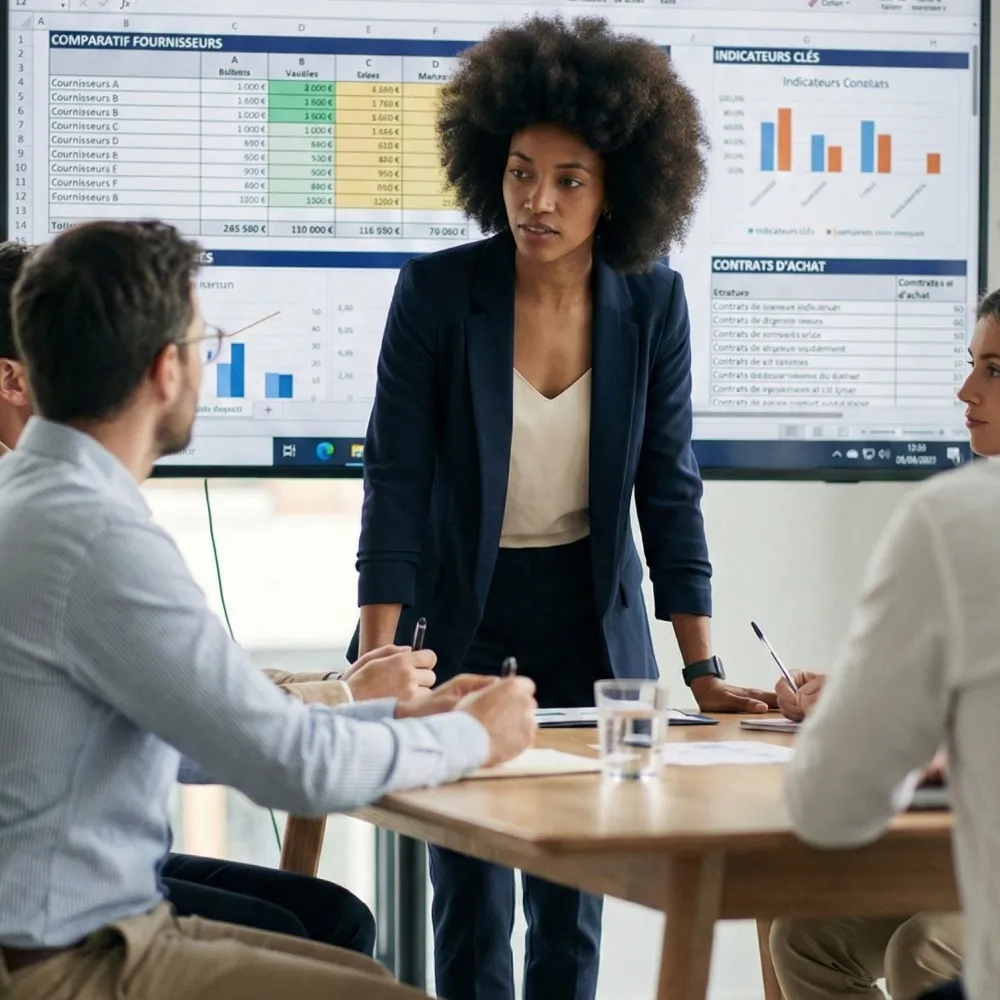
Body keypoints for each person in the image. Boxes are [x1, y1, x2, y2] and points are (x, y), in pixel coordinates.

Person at [0, 219, 540, 1000]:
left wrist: (397, 722)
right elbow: (291, 769)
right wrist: (470, 737)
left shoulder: (33, 498)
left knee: (351, 962)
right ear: (165, 371)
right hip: (76, 963)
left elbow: (206, 736)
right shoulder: (96, 538)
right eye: (203, 342)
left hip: (76, 932)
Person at [352, 16, 777, 1000]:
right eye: (517, 171)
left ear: (618, 186)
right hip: (461, 609)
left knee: (569, 913)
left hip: (585, 618)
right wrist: (388, 661)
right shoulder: (434, 292)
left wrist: (703, 669)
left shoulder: (653, 304)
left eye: (567, 179)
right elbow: (398, 484)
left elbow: (668, 488)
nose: (534, 201)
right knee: (467, 914)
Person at [775, 290, 1000, 1000]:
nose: (965, 390)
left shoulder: (955, 517)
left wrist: (865, 722)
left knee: (923, 951)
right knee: (806, 937)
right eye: (972, 365)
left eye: (995, 369)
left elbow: (829, 807)